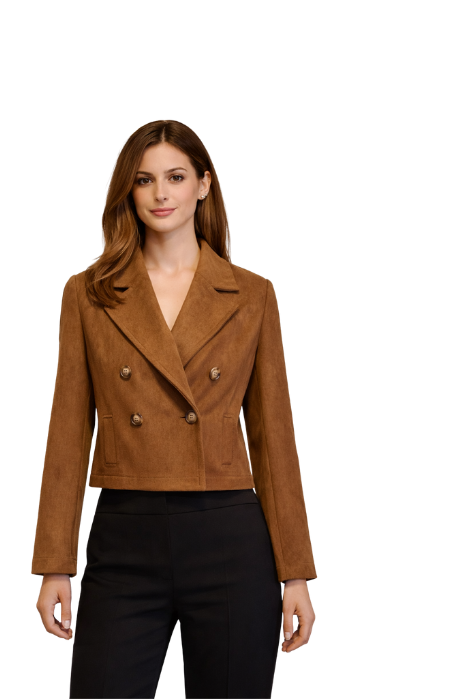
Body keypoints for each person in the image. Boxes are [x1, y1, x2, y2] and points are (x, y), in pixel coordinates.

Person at [32, 120, 317, 699]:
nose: (161, 193)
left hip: (230, 540)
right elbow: (67, 429)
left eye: (176, 177)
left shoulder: (252, 295)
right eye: (144, 180)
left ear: (204, 185)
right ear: (128, 191)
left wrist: (295, 573)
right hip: (124, 537)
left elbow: (273, 439)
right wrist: (55, 563)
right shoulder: (89, 293)